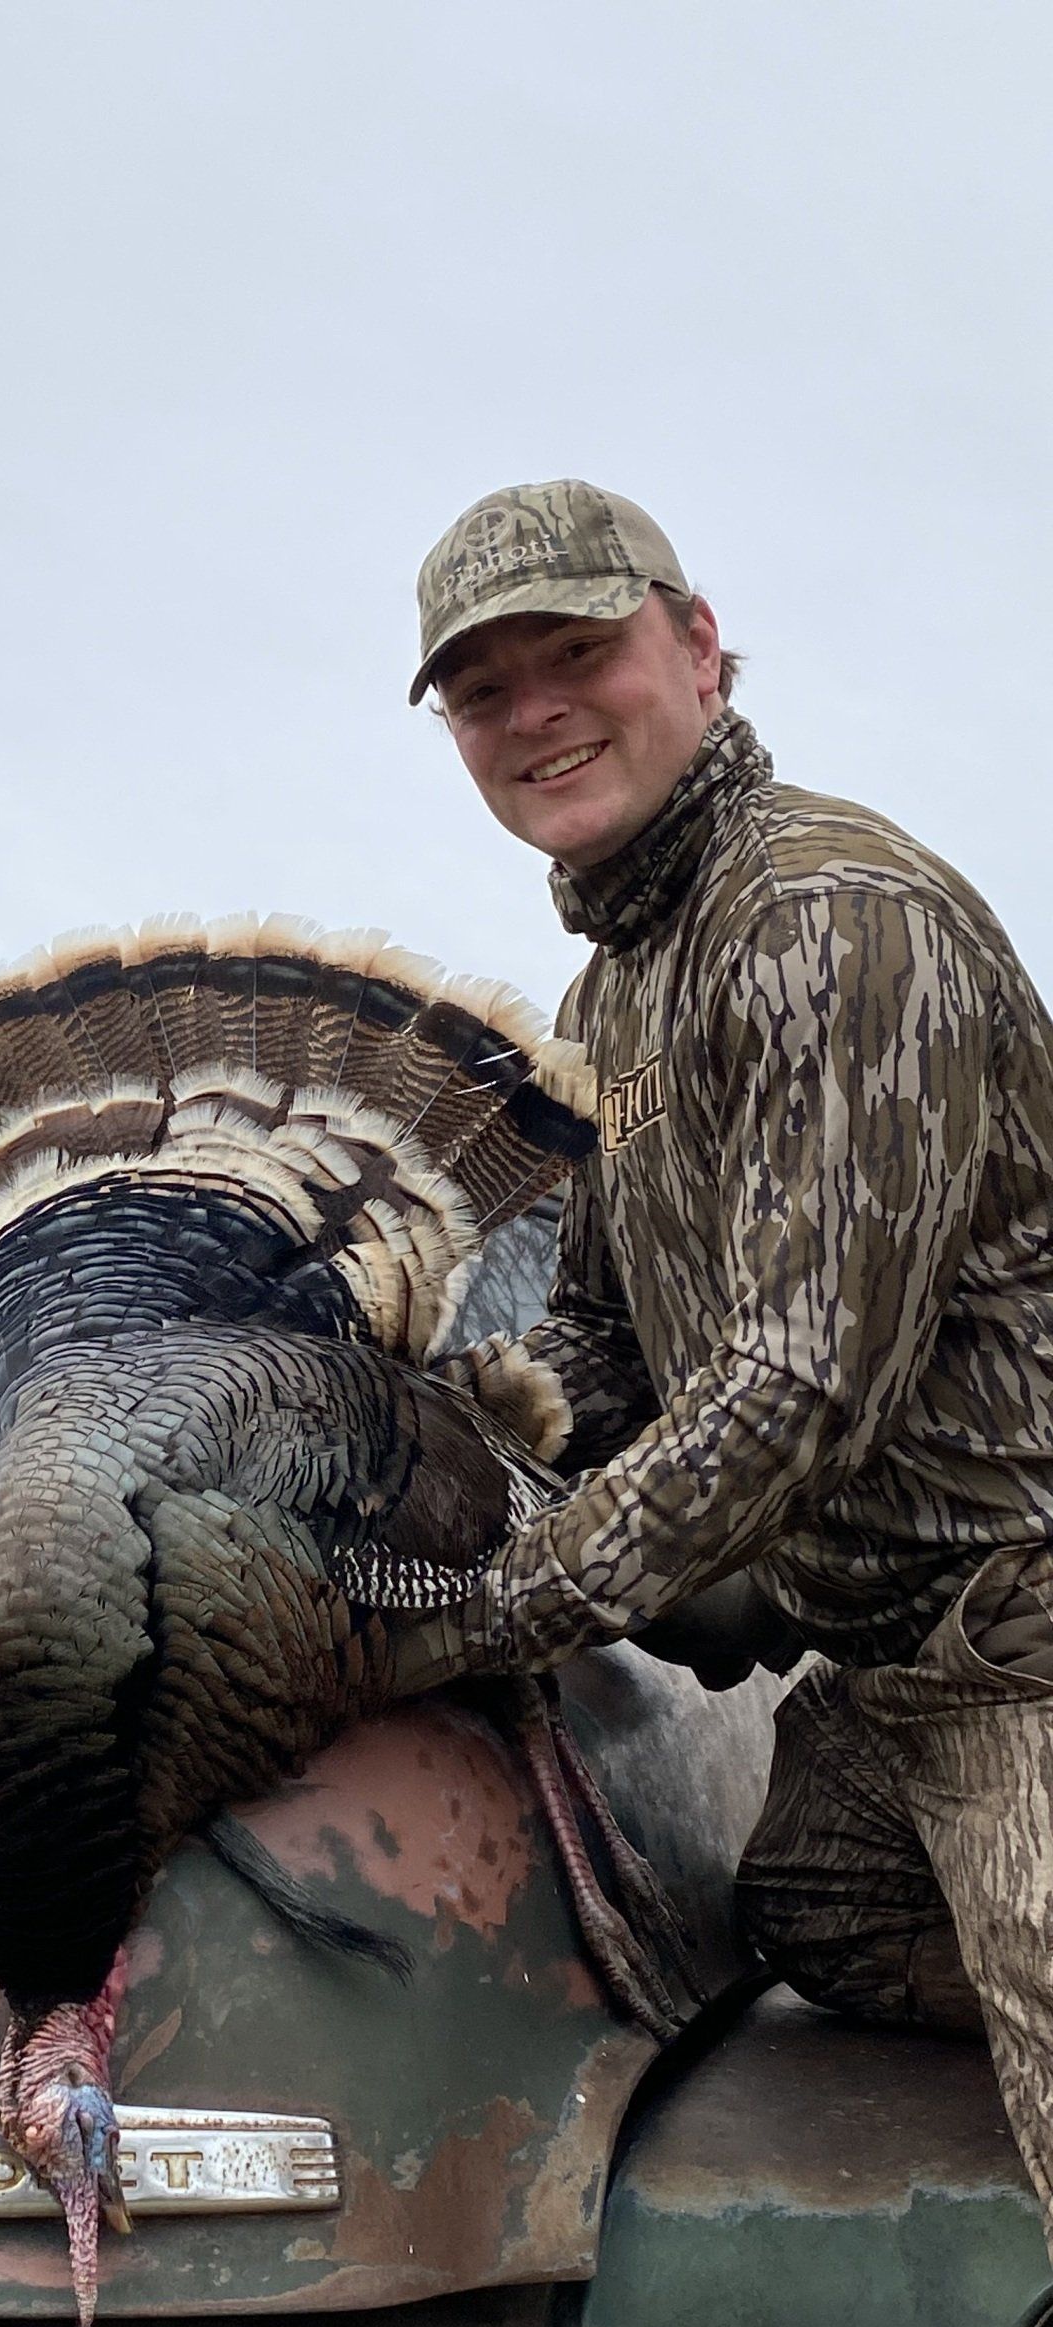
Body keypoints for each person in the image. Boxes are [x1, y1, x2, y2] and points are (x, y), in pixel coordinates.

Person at [399, 478, 1053, 2227]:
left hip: (1024, 1664)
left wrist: (488, 1607)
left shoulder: (825, 920)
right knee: (813, 1907)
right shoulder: (623, 991)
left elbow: (796, 1390)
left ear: (698, 648)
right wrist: (425, 1442)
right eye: (483, 689)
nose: (536, 712)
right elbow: (605, 1337)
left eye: (581, 652)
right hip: (895, 1684)